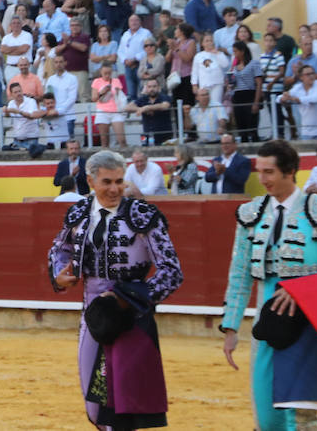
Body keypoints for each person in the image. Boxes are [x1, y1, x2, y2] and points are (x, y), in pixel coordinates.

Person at [219, 140, 317, 431]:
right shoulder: (251, 214)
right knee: (266, 410)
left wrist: (306, 292)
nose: (262, 179)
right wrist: (231, 326)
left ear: (291, 172)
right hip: (266, 319)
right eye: (260, 171)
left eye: (269, 172)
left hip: (309, 319)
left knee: (300, 415)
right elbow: (240, 273)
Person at [49, 150, 182, 431]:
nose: (114, 189)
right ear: (90, 180)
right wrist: (59, 274)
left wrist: (129, 298)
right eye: (107, 182)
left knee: (122, 404)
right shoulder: (79, 213)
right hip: (93, 314)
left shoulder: (143, 216)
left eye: (119, 181)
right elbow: (59, 249)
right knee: (94, 405)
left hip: (130, 317)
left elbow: (171, 271)